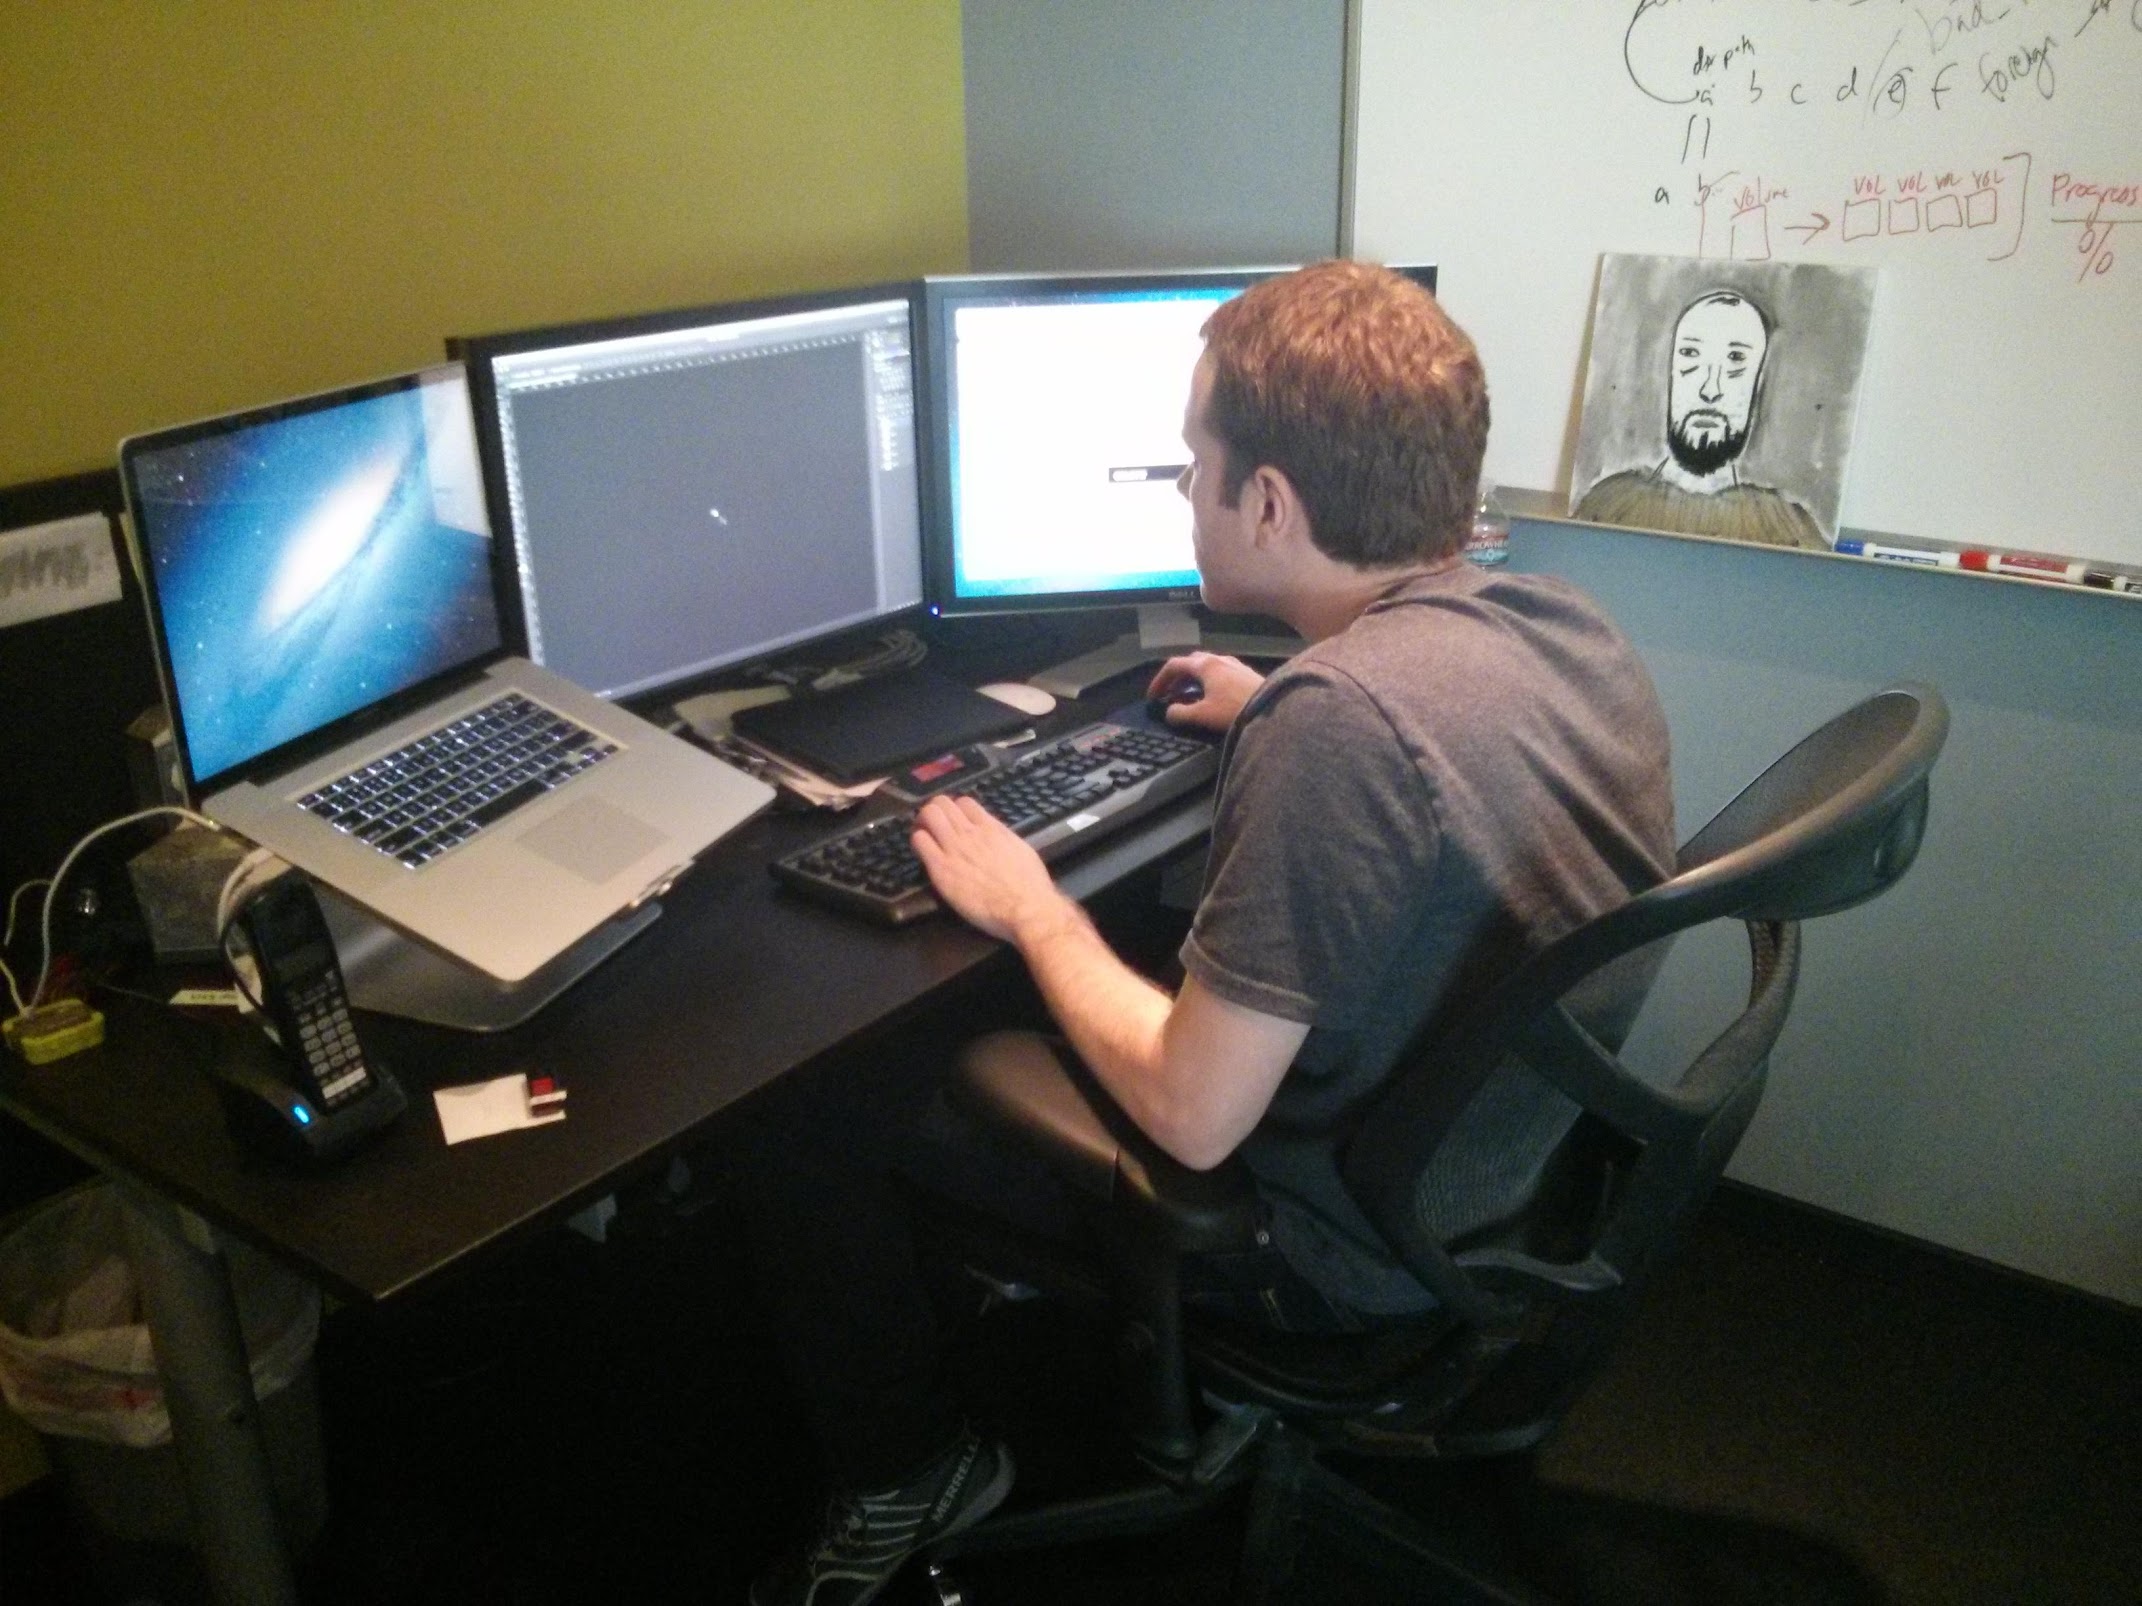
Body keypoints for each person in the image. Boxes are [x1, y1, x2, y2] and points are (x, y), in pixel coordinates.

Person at [731, 260, 1675, 1606]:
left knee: (806, 1117)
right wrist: (1285, 694)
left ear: (1271, 503)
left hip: (1333, 1255)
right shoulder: (1556, 624)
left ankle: (914, 1466)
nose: (1181, 488)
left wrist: (1034, 907)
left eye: (1191, 462)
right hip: (1506, 1174)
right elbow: (1435, 757)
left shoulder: (1342, 728)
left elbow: (1188, 1115)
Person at [1575, 288, 1827, 550]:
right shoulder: (1606, 506)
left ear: (1759, 380)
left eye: (1736, 359)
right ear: (1670, 369)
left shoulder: (1786, 528)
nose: (1710, 390)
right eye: (1690, 354)